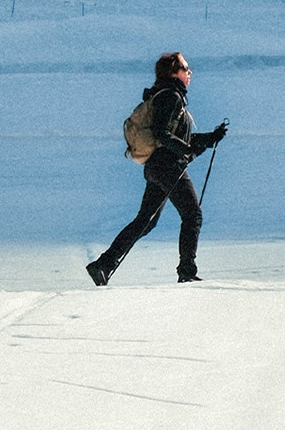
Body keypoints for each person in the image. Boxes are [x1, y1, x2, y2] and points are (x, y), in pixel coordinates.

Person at [87, 52, 227, 284]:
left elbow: (177, 136)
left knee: (146, 220)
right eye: (185, 68)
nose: (189, 73)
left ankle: (103, 264)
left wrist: (209, 138)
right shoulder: (171, 96)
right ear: (174, 73)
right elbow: (163, 134)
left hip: (156, 167)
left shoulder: (165, 95)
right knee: (192, 215)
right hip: (168, 166)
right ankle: (187, 272)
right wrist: (185, 150)